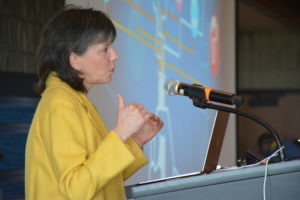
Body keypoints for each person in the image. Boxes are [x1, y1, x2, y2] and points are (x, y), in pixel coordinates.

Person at [25, 6, 163, 200]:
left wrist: (136, 140)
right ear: (74, 60)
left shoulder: (75, 100)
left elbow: (102, 180)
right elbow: (77, 189)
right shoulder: (60, 103)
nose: (115, 56)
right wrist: (121, 132)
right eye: (104, 49)